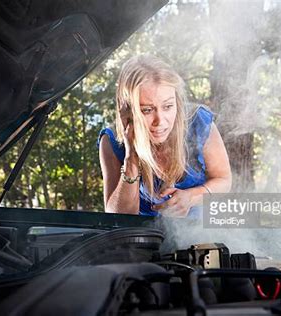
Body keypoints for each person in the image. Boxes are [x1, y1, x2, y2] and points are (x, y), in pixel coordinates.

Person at [97, 55, 231, 217]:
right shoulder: (112, 141)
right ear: (128, 111)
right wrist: (131, 158)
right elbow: (118, 216)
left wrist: (191, 197)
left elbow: (224, 180)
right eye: (147, 110)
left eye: (168, 106)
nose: (160, 121)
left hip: (199, 232)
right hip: (142, 237)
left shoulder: (198, 123)